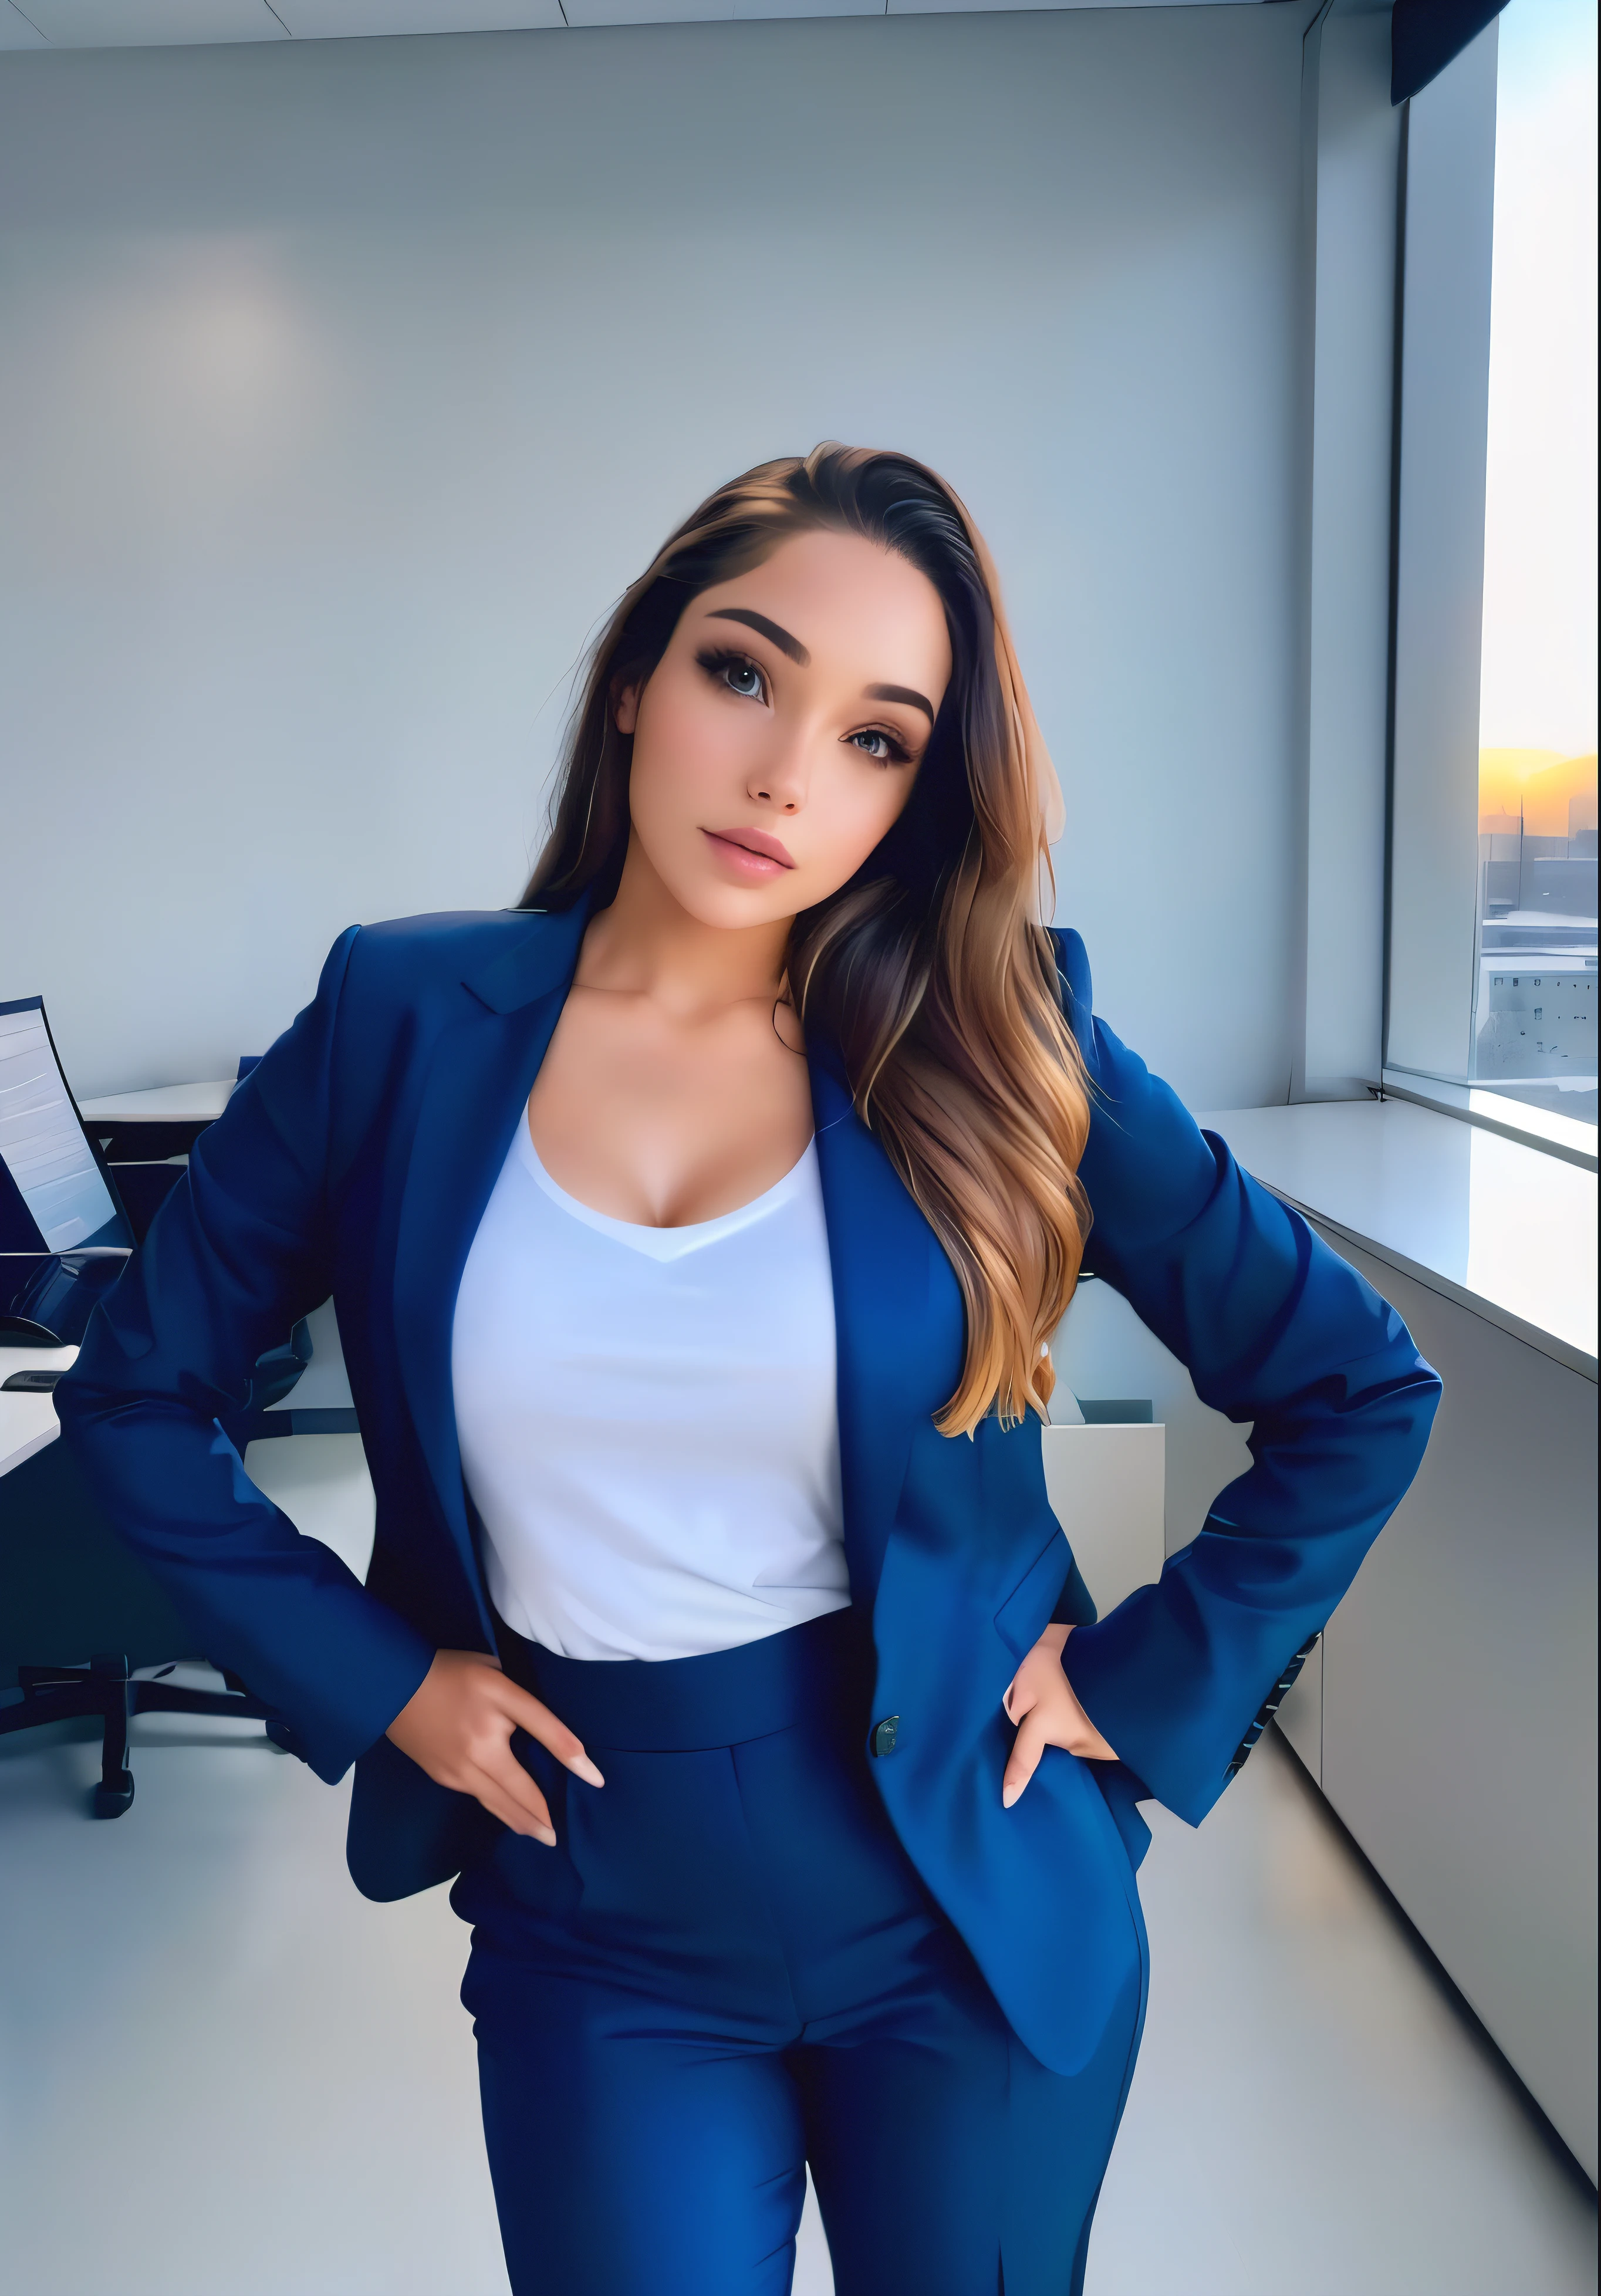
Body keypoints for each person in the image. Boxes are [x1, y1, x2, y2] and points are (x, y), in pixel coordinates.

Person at [57, 445, 1441, 2296]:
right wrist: (378, 1679)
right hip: (594, 1900)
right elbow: (139, 1395)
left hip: (964, 1886)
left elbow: (1355, 1386)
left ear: (920, 796)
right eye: (743, 673)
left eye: (878, 738)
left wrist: (1144, 1677)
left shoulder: (1003, 1040)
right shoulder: (400, 1020)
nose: (788, 773)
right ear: (638, 677)